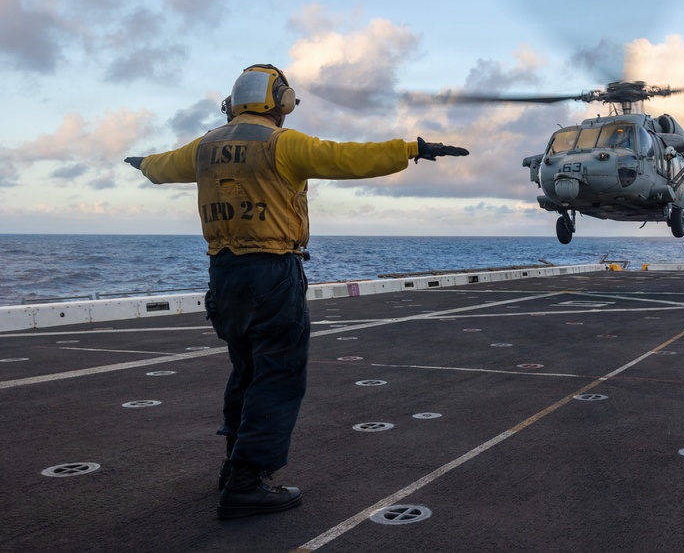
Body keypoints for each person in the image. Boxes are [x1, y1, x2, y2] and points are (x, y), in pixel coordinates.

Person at [124, 63, 468, 519]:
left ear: (233, 103)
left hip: (222, 274)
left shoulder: (205, 146)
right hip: (271, 272)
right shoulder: (284, 144)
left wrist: (143, 162)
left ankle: (231, 467)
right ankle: (247, 481)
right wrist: (411, 148)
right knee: (279, 374)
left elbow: (160, 167)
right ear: (281, 102)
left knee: (244, 369)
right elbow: (348, 157)